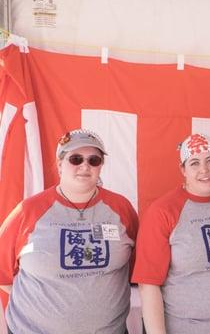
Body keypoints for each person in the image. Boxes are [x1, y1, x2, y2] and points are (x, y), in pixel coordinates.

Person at [0, 128, 138, 333]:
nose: (85, 166)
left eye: (94, 160)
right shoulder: (28, 211)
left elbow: (137, 266)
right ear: (59, 164)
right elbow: (3, 274)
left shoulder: (121, 208)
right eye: (75, 159)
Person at [132, 133, 210, 334]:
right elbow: (148, 284)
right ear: (182, 169)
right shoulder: (162, 212)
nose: (204, 170)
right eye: (194, 163)